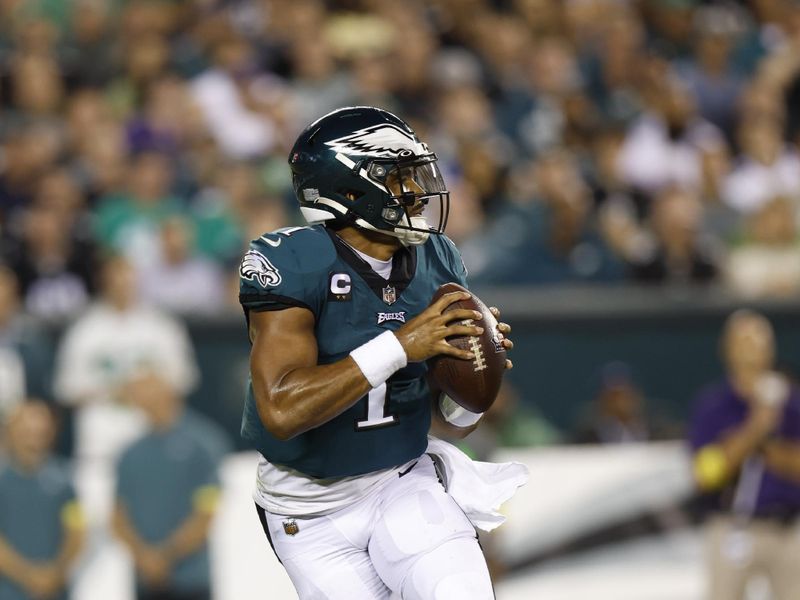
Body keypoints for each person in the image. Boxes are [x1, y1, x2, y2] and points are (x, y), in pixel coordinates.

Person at [238, 106, 525, 600]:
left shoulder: (439, 258)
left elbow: (455, 420)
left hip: (400, 480)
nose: (415, 191)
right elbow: (282, 411)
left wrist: (474, 366)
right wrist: (400, 345)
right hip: (308, 511)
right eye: (397, 178)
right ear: (348, 190)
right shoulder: (293, 261)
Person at [689, 310, 800, 600]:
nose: (752, 349)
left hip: (789, 528)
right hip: (733, 525)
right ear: (727, 349)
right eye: (744, 341)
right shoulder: (714, 406)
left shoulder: (791, 403)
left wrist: (758, 447)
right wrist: (755, 429)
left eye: (759, 341)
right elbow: (705, 475)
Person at [112, 370, 229, 600]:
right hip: (145, 582)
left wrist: (164, 557)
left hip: (191, 580)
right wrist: (144, 557)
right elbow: (118, 516)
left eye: (144, 388)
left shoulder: (203, 443)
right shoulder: (130, 453)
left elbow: (206, 512)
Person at [0, 401, 85, 600]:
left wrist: (56, 572)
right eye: (25, 432)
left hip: (55, 591)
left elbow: (77, 531)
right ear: (10, 433)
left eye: (40, 432)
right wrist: (28, 575)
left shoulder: (65, 481)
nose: (32, 439)